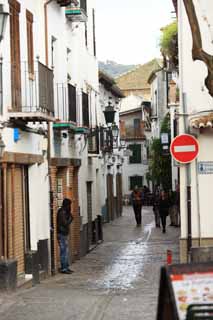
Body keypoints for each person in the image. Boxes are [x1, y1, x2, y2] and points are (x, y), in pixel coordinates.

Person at [57, 198, 74, 274]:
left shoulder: (65, 212)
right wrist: (70, 218)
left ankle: (66, 267)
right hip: (61, 234)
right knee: (64, 251)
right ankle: (64, 268)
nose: (70, 206)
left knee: (65, 251)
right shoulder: (62, 212)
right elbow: (65, 223)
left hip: (64, 234)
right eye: (69, 205)